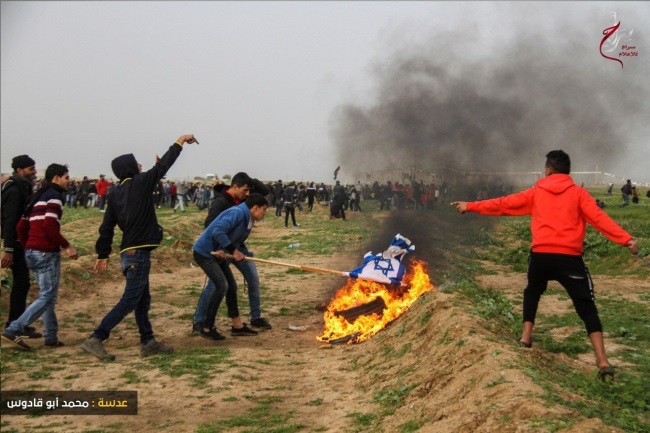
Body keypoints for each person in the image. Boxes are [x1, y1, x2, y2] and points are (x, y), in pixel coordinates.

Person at [451, 150, 639, 381]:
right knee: (586, 307)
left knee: (532, 292)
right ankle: (602, 361)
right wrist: (626, 239)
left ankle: (526, 336)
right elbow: (600, 220)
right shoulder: (579, 194)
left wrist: (470, 205)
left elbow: (504, 204)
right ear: (568, 171)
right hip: (570, 258)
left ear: (549, 169)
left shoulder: (537, 192)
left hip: (541, 256)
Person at [81, 134, 199, 361]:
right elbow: (164, 165)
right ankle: (96, 337)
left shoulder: (115, 193)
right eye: (137, 163)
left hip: (129, 254)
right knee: (130, 300)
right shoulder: (142, 182)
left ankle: (148, 341)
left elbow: (106, 226)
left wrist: (102, 254)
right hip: (138, 255)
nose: (141, 166)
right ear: (130, 168)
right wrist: (180, 141)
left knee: (142, 300)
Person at [2, 164, 79, 350]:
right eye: (66, 177)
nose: (69, 181)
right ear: (56, 178)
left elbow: (21, 226)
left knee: (47, 295)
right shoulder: (54, 197)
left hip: (32, 252)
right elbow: (49, 225)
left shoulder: (37, 196)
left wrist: (29, 245)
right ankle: (14, 329)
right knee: (47, 296)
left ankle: (50, 336)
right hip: (45, 253)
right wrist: (67, 246)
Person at [192, 193, 269, 340]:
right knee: (222, 286)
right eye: (264, 210)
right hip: (205, 253)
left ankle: (237, 326)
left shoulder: (249, 219)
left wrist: (228, 249)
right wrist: (233, 250)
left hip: (218, 254)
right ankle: (207, 327)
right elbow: (218, 230)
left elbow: (232, 236)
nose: (264, 213)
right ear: (255, 208)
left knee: (232, 287)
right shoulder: (237, 213)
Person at [202, 172, 272, 330]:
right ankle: (200, 320)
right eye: (245, 190)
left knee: (253, 279)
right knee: (215, 285)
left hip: (239, 248)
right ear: (234, 186)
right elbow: (210, 226)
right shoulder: (220, 203)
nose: (247, 194)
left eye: (249, 191)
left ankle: (256, 317)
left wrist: (250, 180)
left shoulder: (244, 201)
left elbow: (266, 192)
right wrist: (221, 246)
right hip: (223, 249)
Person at [1, 155, 43, 339]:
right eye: (30, 169)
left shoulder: (21, 187)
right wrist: (8, 249)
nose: (34, 172)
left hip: (21, 243)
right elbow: (10, 221)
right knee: (21, 284)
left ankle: (18, 322)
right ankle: (14, 324)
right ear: (20, 170)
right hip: (16, 245)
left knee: (22, 284)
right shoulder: (15, 191)